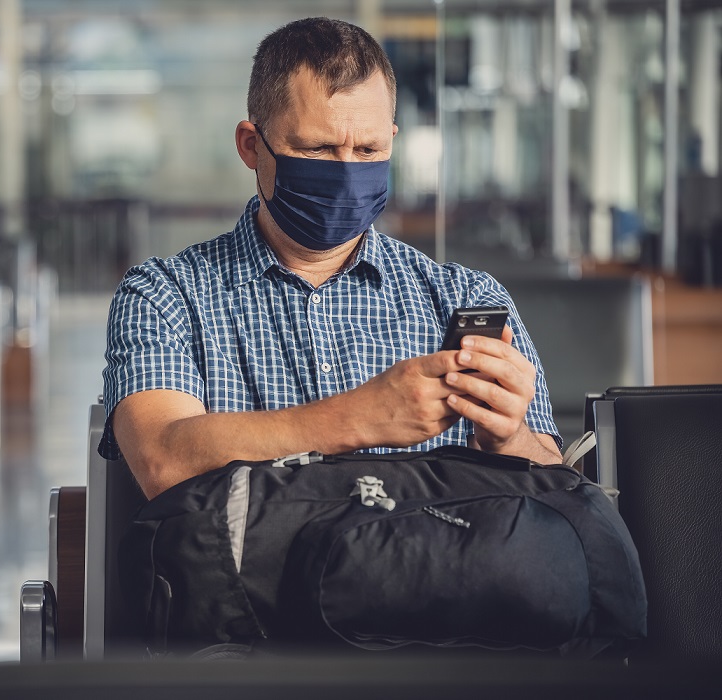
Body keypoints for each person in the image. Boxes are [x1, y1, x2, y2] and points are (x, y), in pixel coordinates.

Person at [101, 17, 562, 499]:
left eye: (368, 149)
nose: (347, 175)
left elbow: (556, 484)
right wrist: (359, 417)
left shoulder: (464, 298)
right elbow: (164, 459)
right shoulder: (165, 297)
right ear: (252, 146)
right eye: (317, 148)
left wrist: (510, 438)